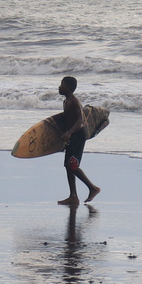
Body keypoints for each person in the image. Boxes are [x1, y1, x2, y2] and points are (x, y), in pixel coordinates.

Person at [54, 75, 100, 206]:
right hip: (72, 135)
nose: (59, 86)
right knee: (68, 166)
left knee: (72, 165)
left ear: (68, 87)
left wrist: (69, 133)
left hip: (78, 135)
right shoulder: (66, 102)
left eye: (61, 84)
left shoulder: (74, 101)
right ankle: (73, 196)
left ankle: (93, 188)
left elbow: (80, 120)